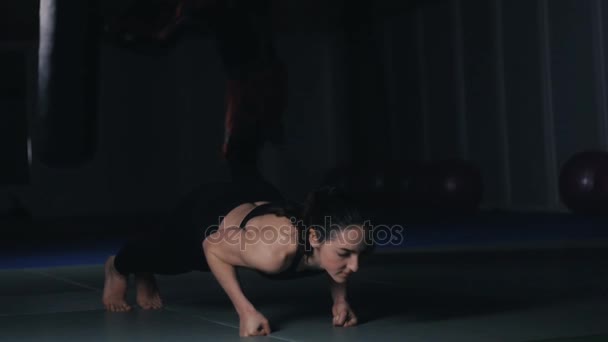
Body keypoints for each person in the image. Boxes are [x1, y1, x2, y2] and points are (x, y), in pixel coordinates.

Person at [102, 180, 374, 337]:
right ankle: (117, 267)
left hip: (256, 195)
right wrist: (246, 311)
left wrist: (340, 300)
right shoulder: (273, 252)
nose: (355, 266)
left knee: (340, 253)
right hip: (210, 212)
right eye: (345, 255)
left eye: (358, 254)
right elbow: (213, 246)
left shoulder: (326, 236)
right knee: (171, 257)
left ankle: (145, 272)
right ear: (314, 238)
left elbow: (337, 257)